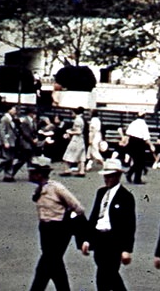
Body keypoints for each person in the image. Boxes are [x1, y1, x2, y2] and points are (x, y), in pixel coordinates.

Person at [28, 157, 87, 291]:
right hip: (45, 229)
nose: (30, 175)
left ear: (39, 174)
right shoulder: (39, 189)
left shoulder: (56, 188)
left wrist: (67, 219)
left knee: (47, 264)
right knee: (53, 264)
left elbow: (78, 208)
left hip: (58, 229)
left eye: (33, 172)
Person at [80, 157, 137, 291]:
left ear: (118, 175)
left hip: (113, 241)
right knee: (105, 273)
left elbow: (129, 225)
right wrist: (87, 239)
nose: (106, 179)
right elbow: (94, 217)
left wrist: (127, 249)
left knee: (106, 274)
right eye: (105, 176)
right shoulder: (101, 193)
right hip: (99, 239)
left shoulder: (126, 197)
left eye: (110, 176)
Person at [0, 105, 18, 182]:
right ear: (9, 110)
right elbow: (2, 131)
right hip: (7, 141)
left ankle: (8, 175)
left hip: (12, 140)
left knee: (11, 159)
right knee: (7, 158)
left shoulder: (12, 119)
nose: (15, 111)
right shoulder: (5, 119)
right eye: (13, 110)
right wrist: (5, 141)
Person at [124, 113, 152, 184]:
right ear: (144, 116)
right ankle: (136, 179)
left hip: (132, 142)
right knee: (140, 161)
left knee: (137, 161)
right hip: (139, 143)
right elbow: (146, 137)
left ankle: (130, 174)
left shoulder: (133, 123)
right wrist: (151, 145)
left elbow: (128, 133)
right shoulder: (143, 125)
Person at [61, 108, 88, 177]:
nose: (71, 114)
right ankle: (82, 171)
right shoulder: (82, 119)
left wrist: (70, 132)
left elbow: (78, 131)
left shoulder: (77, 120)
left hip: (76, 140)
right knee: (82, 156)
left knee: (67, 154)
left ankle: (67, 170)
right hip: (81, 140)